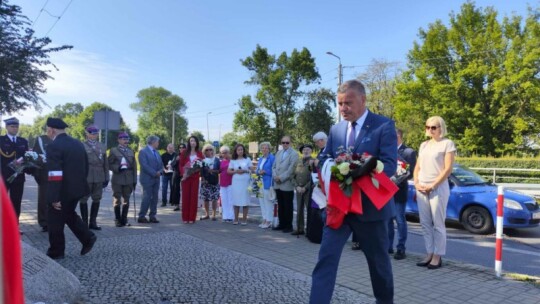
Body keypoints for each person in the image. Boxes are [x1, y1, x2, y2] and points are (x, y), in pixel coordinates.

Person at [310, 80, 397, 304]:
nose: (343, 108)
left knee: (379, 265)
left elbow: (388, 166)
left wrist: (357, 171)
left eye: (348, 103)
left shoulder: (383, 125)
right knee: (325, 261)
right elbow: (324, 157)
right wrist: (328, 167)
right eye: (339, 104)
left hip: (370, 211)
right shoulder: (336, 129)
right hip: (339, 208)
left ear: (363, 100)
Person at [44, 117, 97, 259]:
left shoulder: (53, 146)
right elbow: (85, 167)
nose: (47, 132)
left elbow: (55, 174)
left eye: (47, 129)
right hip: (78, 189)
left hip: (62, 191)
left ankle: (56, 252)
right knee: (67, 214)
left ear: (52, 129)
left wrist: (54, 197)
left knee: (54, 220)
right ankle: (87, 238)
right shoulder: (78, 143)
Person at [414, 116, 456, 270]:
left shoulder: (447, 144)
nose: (430, 130)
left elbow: (448, 169)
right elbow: (417, 167)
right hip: (421, 188)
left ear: (440, 128)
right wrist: (417, 182)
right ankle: (429, 252)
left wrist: (433, 185)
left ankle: (438, 256)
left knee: (438, 224)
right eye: (428, 127)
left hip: (438, 188)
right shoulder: (423, 145)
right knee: (424, 223)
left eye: (434, 127)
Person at [389, 128, 417, 260]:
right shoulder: (387, 150)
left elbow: (410, 172)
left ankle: (400, 248)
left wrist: (394, 180)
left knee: (400, 220)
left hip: (399, 190)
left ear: (398, 136)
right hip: (387, 191)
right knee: (387, 219)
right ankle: (388, 246)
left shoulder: (408, 152)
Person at [79, 125, 109, 230]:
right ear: (87, 133)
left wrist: (106, 177)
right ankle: (84, 223)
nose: (94, 135)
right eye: (92, 133)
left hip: (99, 175)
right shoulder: (81, 145)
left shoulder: (102, 146)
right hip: (86, 175)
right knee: (83, 199)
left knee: (97, 198)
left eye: (96, 133)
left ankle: (93, 222)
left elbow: (105, 163)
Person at [0, 117, 29, 223]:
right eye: (12, 126)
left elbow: (27, 157)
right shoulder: (1, 140)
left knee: (16, 202)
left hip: (18, 176)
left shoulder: (23, 141)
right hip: (4, 176)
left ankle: (14, 225)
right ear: (6, 127)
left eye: (16, 126)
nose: (15, 128)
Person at [108, 132, 137, 227]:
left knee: (127, 199)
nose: (126, 140)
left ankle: (124, 219)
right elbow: (109, 164)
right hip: (118, 177)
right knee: (117, 199)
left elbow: (134, 167)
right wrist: (117, 168)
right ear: (119, 140)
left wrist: (135, 180)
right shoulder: (113, 151)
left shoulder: (131, 151)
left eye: (127, 139)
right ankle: (117, 219)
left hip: (128, 178)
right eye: (123, 139)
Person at [272, 135, 299, 233]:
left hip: (287, 183)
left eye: (287, 142)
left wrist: (281, 177)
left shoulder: (294, 154)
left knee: (288, 206)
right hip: (277, 183)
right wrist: (275, 176)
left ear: (290, 143)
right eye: (283, 142)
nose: (285, 144)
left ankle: (288, 225)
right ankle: (281, 224)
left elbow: (291, 169)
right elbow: (274, 166)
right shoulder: (278, 153)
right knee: (280, 205)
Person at [138, 135, 163, 223]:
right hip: (147, 179)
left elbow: (161, 164)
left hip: (156, 179)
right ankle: (141, 216)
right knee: (146, 198)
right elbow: (144, 165)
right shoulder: (143, 152)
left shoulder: (157, 152)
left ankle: (152, 215)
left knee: (155, 198)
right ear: (153, 142)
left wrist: (160, 171)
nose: (158, 143)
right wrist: (154, 173)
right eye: (157, 142)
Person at [179, 136, 203, 224]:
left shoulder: (199, 154)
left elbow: (201, 165)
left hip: (195, 178)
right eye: (191, 141)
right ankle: (185, 217)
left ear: (196, 143)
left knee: (193, 197)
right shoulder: (184, 153)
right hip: (186, 178)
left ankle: (192, 218)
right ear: (189, 142)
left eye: (194, 141)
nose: (192, 142)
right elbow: (181, 165)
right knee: (185, 197)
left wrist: (197, 170)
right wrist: (184, 173)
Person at [291, 144, 315, 235]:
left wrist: (305, 187)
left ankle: (309, 230)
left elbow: (314, 177)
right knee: (299, 209)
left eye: (308, 149)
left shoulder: (313, 161)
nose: (306, 151)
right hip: (298, 189)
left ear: (311, 151)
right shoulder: (298, 161)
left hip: (309, 190)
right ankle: (299, 229)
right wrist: (296, 186)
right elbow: (292, 176)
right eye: (304, 150)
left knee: (309, 210)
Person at [32, 133, 53, 232]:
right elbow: (36, 156)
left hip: (57, 172)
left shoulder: (60, 138)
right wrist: (37, 172)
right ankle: (44, 222)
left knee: (56, 197)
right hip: (44, 172)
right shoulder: (41, 139)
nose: (51, 130)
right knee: (43, 198)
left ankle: (55, 220)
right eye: (49, 127)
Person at [227, 143, 252, 225]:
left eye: (241, 149)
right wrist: (236, 171)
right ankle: (236, 219)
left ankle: (244, 219)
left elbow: (252, 170)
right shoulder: (233, 160)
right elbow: (228, 171)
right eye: (238, 150)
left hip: (245, 182)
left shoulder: (247, 159)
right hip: (236, 182)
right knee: (236, 200)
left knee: (245, 200)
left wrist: (245, 171)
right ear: (236, 151)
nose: (240, 151)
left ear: (243, 150)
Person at [255, 142, 275, 229]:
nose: (264, 149)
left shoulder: (272, 158)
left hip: (268, 183)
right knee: (262, 202)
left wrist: (265, 172)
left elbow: (274, 171)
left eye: (266, 148)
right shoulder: (260, 158)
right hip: (260, 183)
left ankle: (269, 220)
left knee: (268, 202)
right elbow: (257, 170)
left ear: (269, 149)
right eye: (262, 148)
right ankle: (264, 218)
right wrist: (258, 172)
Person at [200, 144, 220, 220]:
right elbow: (201, 171)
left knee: (214, 198)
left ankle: (214, 215)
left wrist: (213, 171)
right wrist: (202, 179)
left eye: (210, 149)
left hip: (214, 181)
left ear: (213, 150)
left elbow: (219, 170)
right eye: (207, 150)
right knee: (206, 199)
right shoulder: (203, 160)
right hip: (205, 182)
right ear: (204, 151)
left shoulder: (216, 160)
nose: (209, 151)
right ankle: (207, 214)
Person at [219, 146, 234, 222]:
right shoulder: (221, 161)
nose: (224, 154)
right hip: (222, 182)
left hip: (231, 182)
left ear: (229, 152)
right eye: (222, 153)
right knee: (224, 200)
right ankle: (225, 216)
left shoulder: (232, 161)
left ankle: (231, 216)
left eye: (225, 152)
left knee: (230, 200)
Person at [170, 143, 186, 211]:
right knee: (176, 189)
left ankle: (186, 204)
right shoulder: (176, 155)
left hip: (185, 173)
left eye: (183, 147)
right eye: (180, 147)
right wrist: (176, 160)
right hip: (176, 173)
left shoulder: (187, 155)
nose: (181, 149)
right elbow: (172, 164)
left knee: (185, 189)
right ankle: (177, 205)